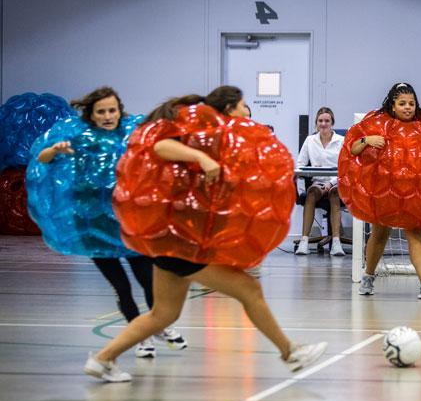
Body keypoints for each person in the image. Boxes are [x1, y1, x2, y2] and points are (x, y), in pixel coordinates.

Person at [83, 85, 327, 382]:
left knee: (164, 315)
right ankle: (291, 352)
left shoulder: (214, 136)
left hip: (173, 241)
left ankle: (102, 359)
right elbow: (161, 147)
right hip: (180, 240)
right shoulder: (200, 129)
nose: (244, 111)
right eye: (241, 106)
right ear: (229, 109)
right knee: (249, 290)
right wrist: (202, 159)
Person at [35, 87, 187, 358]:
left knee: (149, 282)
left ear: (120, 110)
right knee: (122, 287)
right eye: (101, 112)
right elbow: (42, 158)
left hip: (127, 223)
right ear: (91, 114)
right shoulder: (80, 137)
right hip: (93, 226)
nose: (108, 116)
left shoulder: (131, 134)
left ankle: (158, 325)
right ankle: (139, 337)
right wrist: (55, 150)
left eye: (112, 110)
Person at [349, 83, 421, 299]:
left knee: (415, 231)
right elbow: (353, 149)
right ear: (392, 105)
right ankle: (368, 276)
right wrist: (367, 140)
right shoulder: (376, 123)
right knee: (380, 233)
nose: (407, 107)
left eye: (411, 103)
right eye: (402, 104)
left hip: (413, 193)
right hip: (382, 191)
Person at [295, 107, 346, 256]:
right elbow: (300, 164)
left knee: (334, 193)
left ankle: (336, 243)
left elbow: (345, 168)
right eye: (320, 121)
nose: (323, 124)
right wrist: (306, 173)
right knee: (311, 193)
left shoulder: (341, 141)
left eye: (327, 121)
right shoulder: (310, 140)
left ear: (332, 123)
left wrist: (330, 183)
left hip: (336, 182)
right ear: (316, 123)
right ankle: (304, 241)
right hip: (317, 182)